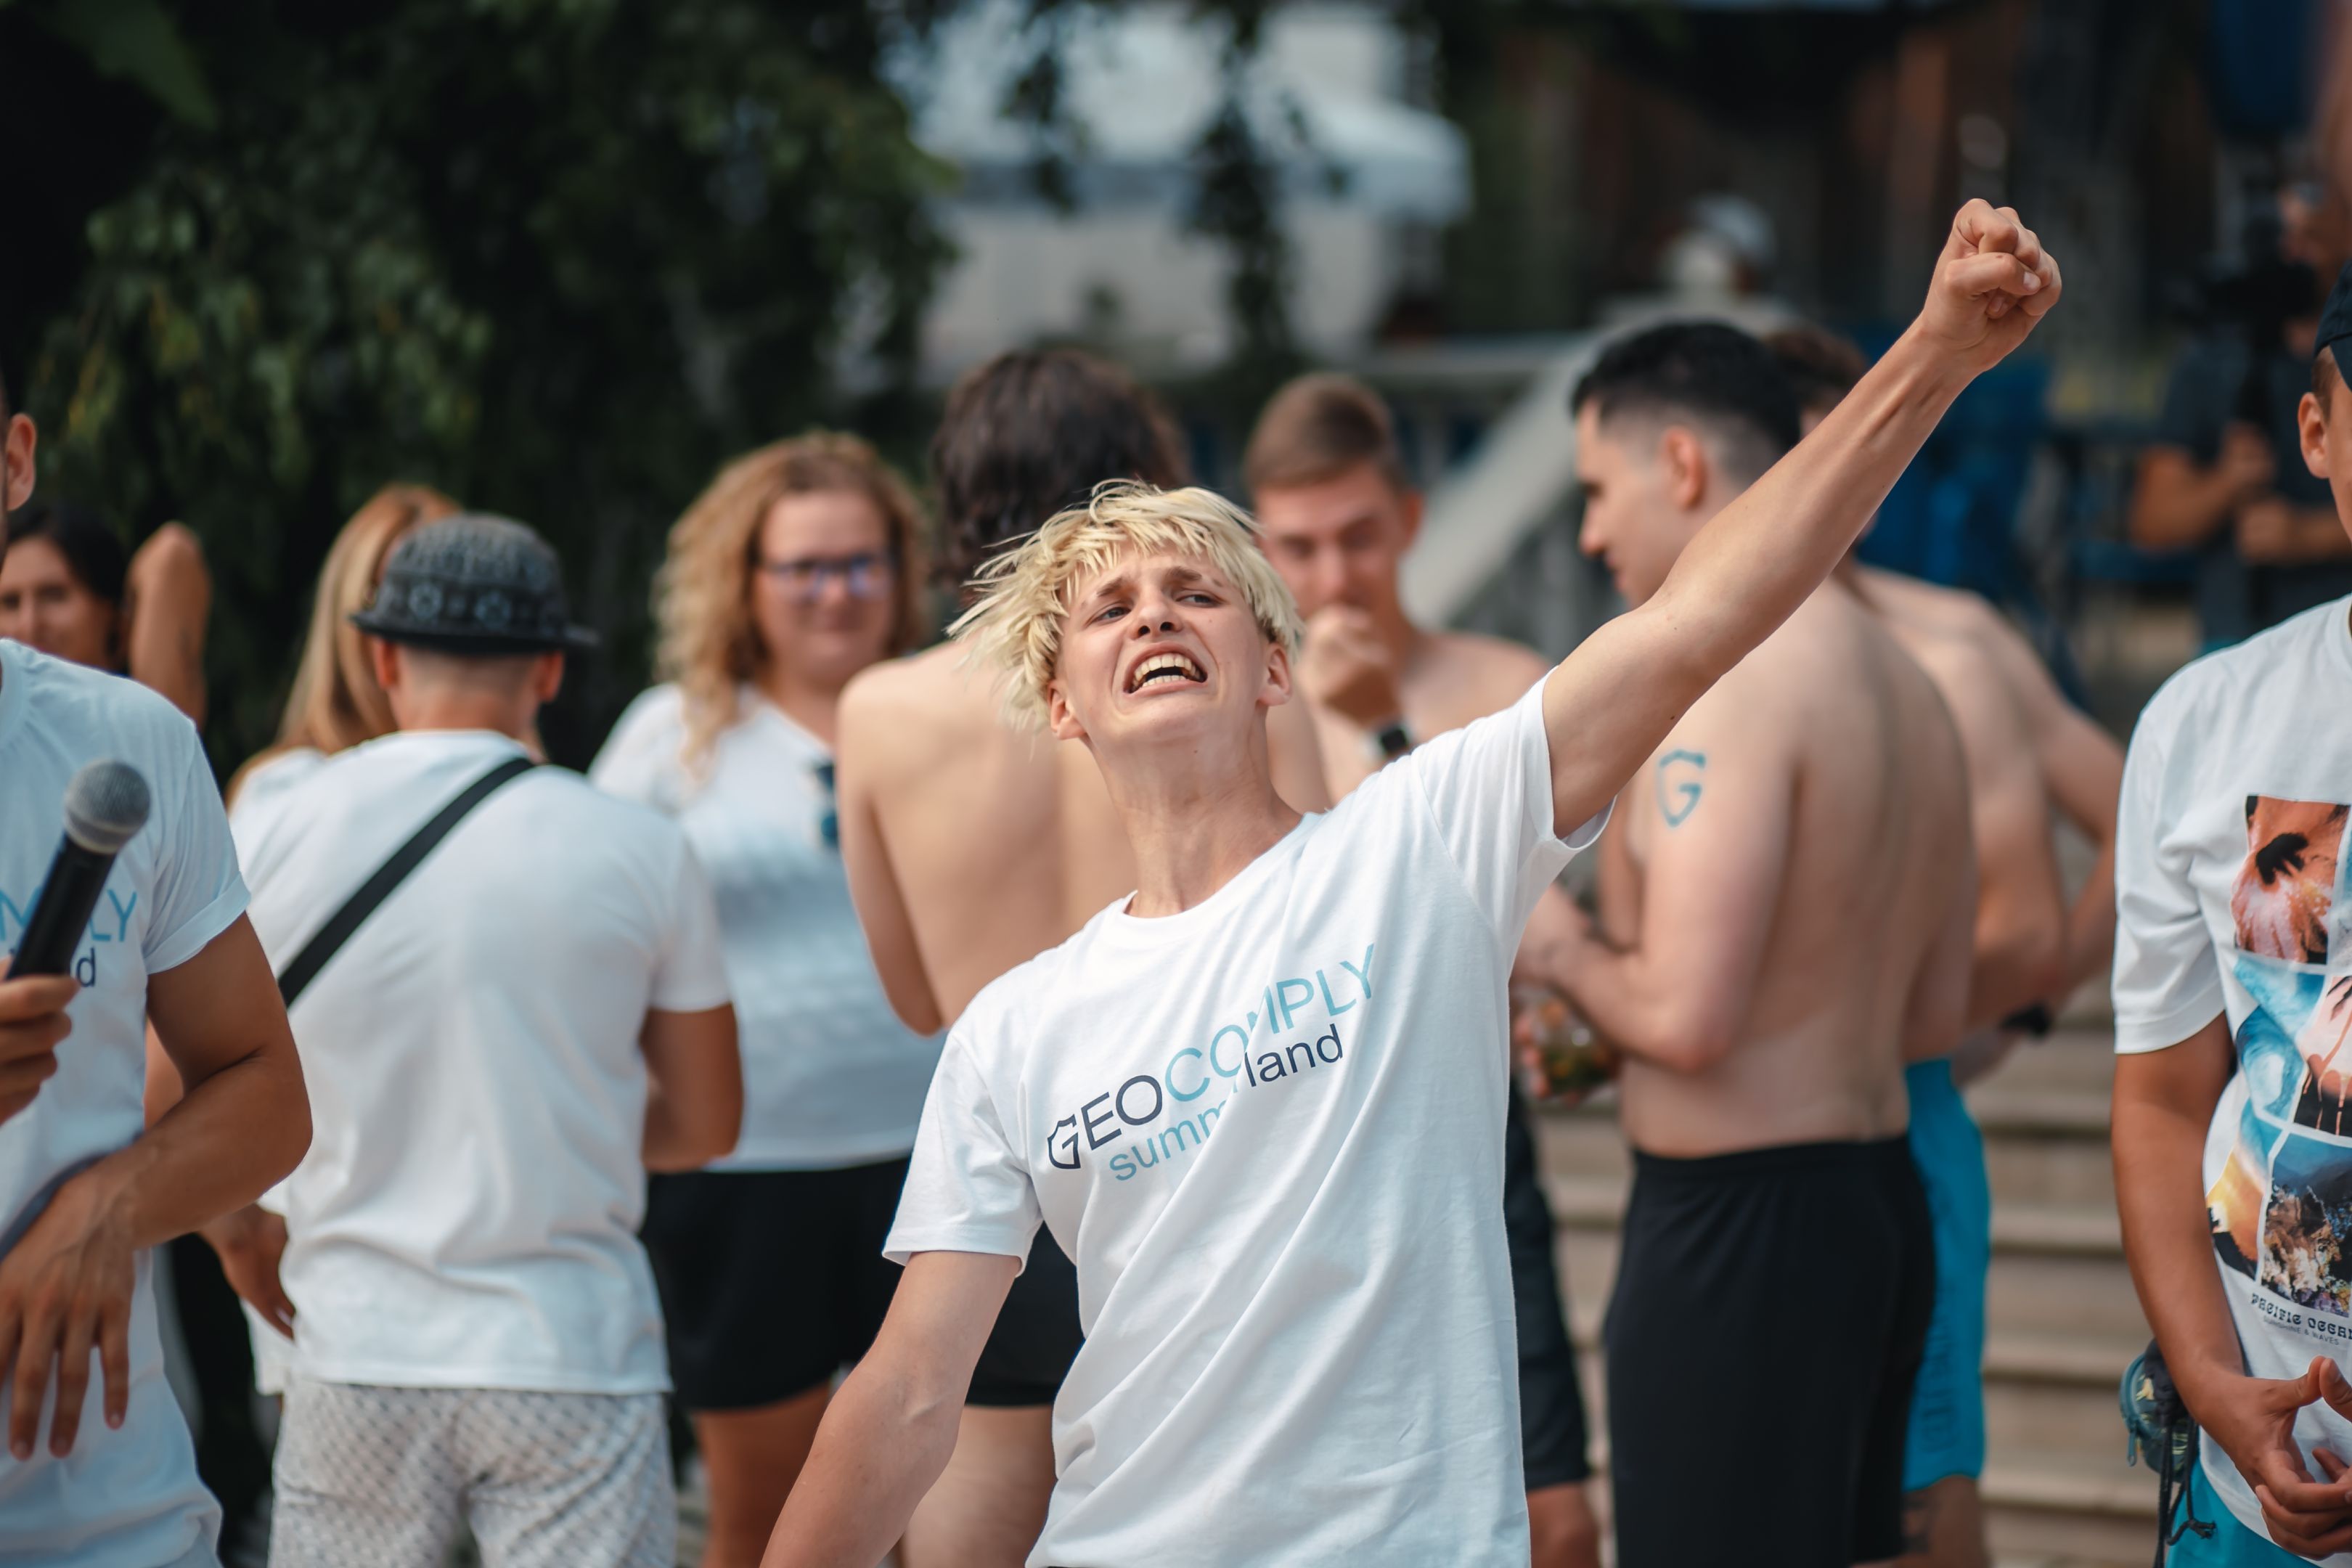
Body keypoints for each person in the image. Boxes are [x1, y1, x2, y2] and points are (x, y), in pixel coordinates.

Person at [764, 200, 2062, 1568]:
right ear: (1062, 704)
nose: (1154, 614)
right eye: (1109, 609)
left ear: (1275, 669)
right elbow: (909, 1393)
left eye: (1197, 594)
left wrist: (1931, 356)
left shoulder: (1420, 842)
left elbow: (1697, 617)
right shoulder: (1013, 1029)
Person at [833, 348, 1327, 1567]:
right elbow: (1307, 916)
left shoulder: (882, 711)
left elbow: (915, 1000)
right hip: (1194, 1185)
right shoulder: (1228, 679)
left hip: (1006, 1204)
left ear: (960, 496)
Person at [1513, 317, 1976, 1568]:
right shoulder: (1910, 680)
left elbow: (1687, 1018)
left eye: (1597, 491)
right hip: (1880, 1206)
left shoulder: (1724, 685)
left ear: (1680, 464)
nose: (1591, 535)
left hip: (1742, 1235)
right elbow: (1938, 1012)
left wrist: (1558, 948)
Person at [200, 514, 743, 1568]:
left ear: (383, 658)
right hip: (570, 1348)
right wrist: (560, 1117)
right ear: (548, 670)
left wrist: (236, 1228)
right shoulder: (642, 847)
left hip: (353, 1340)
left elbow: (172, 1085)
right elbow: (707, 1121)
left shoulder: (275, 821)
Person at [1760, 324, 2123, 1568]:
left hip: (1896, 1119)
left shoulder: (1953, 643)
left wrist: (2022, 1004)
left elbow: (2143, 821)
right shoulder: (1690, 653)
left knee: (1922, 1494)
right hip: (1738, 1147)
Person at [1243, 370, 1598, 1568]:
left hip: (1478, 1126)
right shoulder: (1241, 708)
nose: (1333, 577)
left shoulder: (1503, 681)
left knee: (1554, 1508)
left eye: (1357, 537)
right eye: (1298, 547)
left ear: (1407, 519)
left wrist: (1383, 725)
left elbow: (1529, 923)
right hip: (1306, 1142)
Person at [591, 434, 941, 1568]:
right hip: (745, 1178)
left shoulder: (956, 715)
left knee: (940, 1522)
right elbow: (592, 926)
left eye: (861, 562)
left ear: (901, 571)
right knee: (767, 1525)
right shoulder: (672, 736)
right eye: (804, 567)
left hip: (944, 1172)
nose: (836, 592)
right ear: (745, 582)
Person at [0, 363, 313, 1568]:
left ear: (15, 462)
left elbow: (265, 1092)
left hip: (113, 1519)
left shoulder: (130, 741)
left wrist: (110, 1203)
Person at [2110, 261, 2352, 1565]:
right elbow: (2162, 1098)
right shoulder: (2208, 724)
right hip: (2250, 1498)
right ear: (2318, 433)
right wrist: (2212, 1389)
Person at [2131, 181, 2352, 648]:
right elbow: (2152, 523)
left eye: (2311, 239)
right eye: (2281, 240)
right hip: (2235, 634)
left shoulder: (2342, 359)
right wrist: (2226, 483)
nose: (2292, 256)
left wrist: (2309, 536)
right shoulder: (2211, 361)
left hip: (2336, 633)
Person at [0, 499, 213, 724]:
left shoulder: (142, 732)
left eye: (54, 596)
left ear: (114, 617)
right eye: (10, 602)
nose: (29, 625)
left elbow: (170, 554)